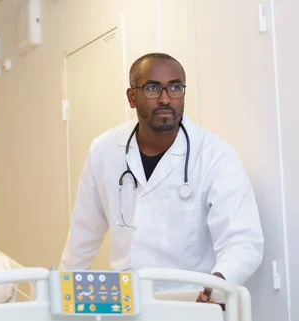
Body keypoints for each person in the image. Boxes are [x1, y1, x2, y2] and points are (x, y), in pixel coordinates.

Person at [59, 53, 264, 301]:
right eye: (153, 88)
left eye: (175, 87)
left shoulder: (216, 156)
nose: (165, 99)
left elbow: (243, 241)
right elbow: (83, 232)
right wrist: (63, 296)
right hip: (128, 304)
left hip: (192, 303)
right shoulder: (104, 150)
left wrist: (217, 284)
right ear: (132, 97)